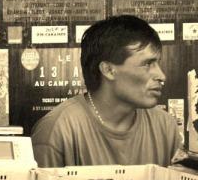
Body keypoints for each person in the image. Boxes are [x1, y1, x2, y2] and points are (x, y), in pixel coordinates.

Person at [31, 15, 181, 167]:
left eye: (157, 63)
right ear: (108, 70)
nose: (161, 76)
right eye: (147, 64)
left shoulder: (165, 127)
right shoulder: (57, 130)